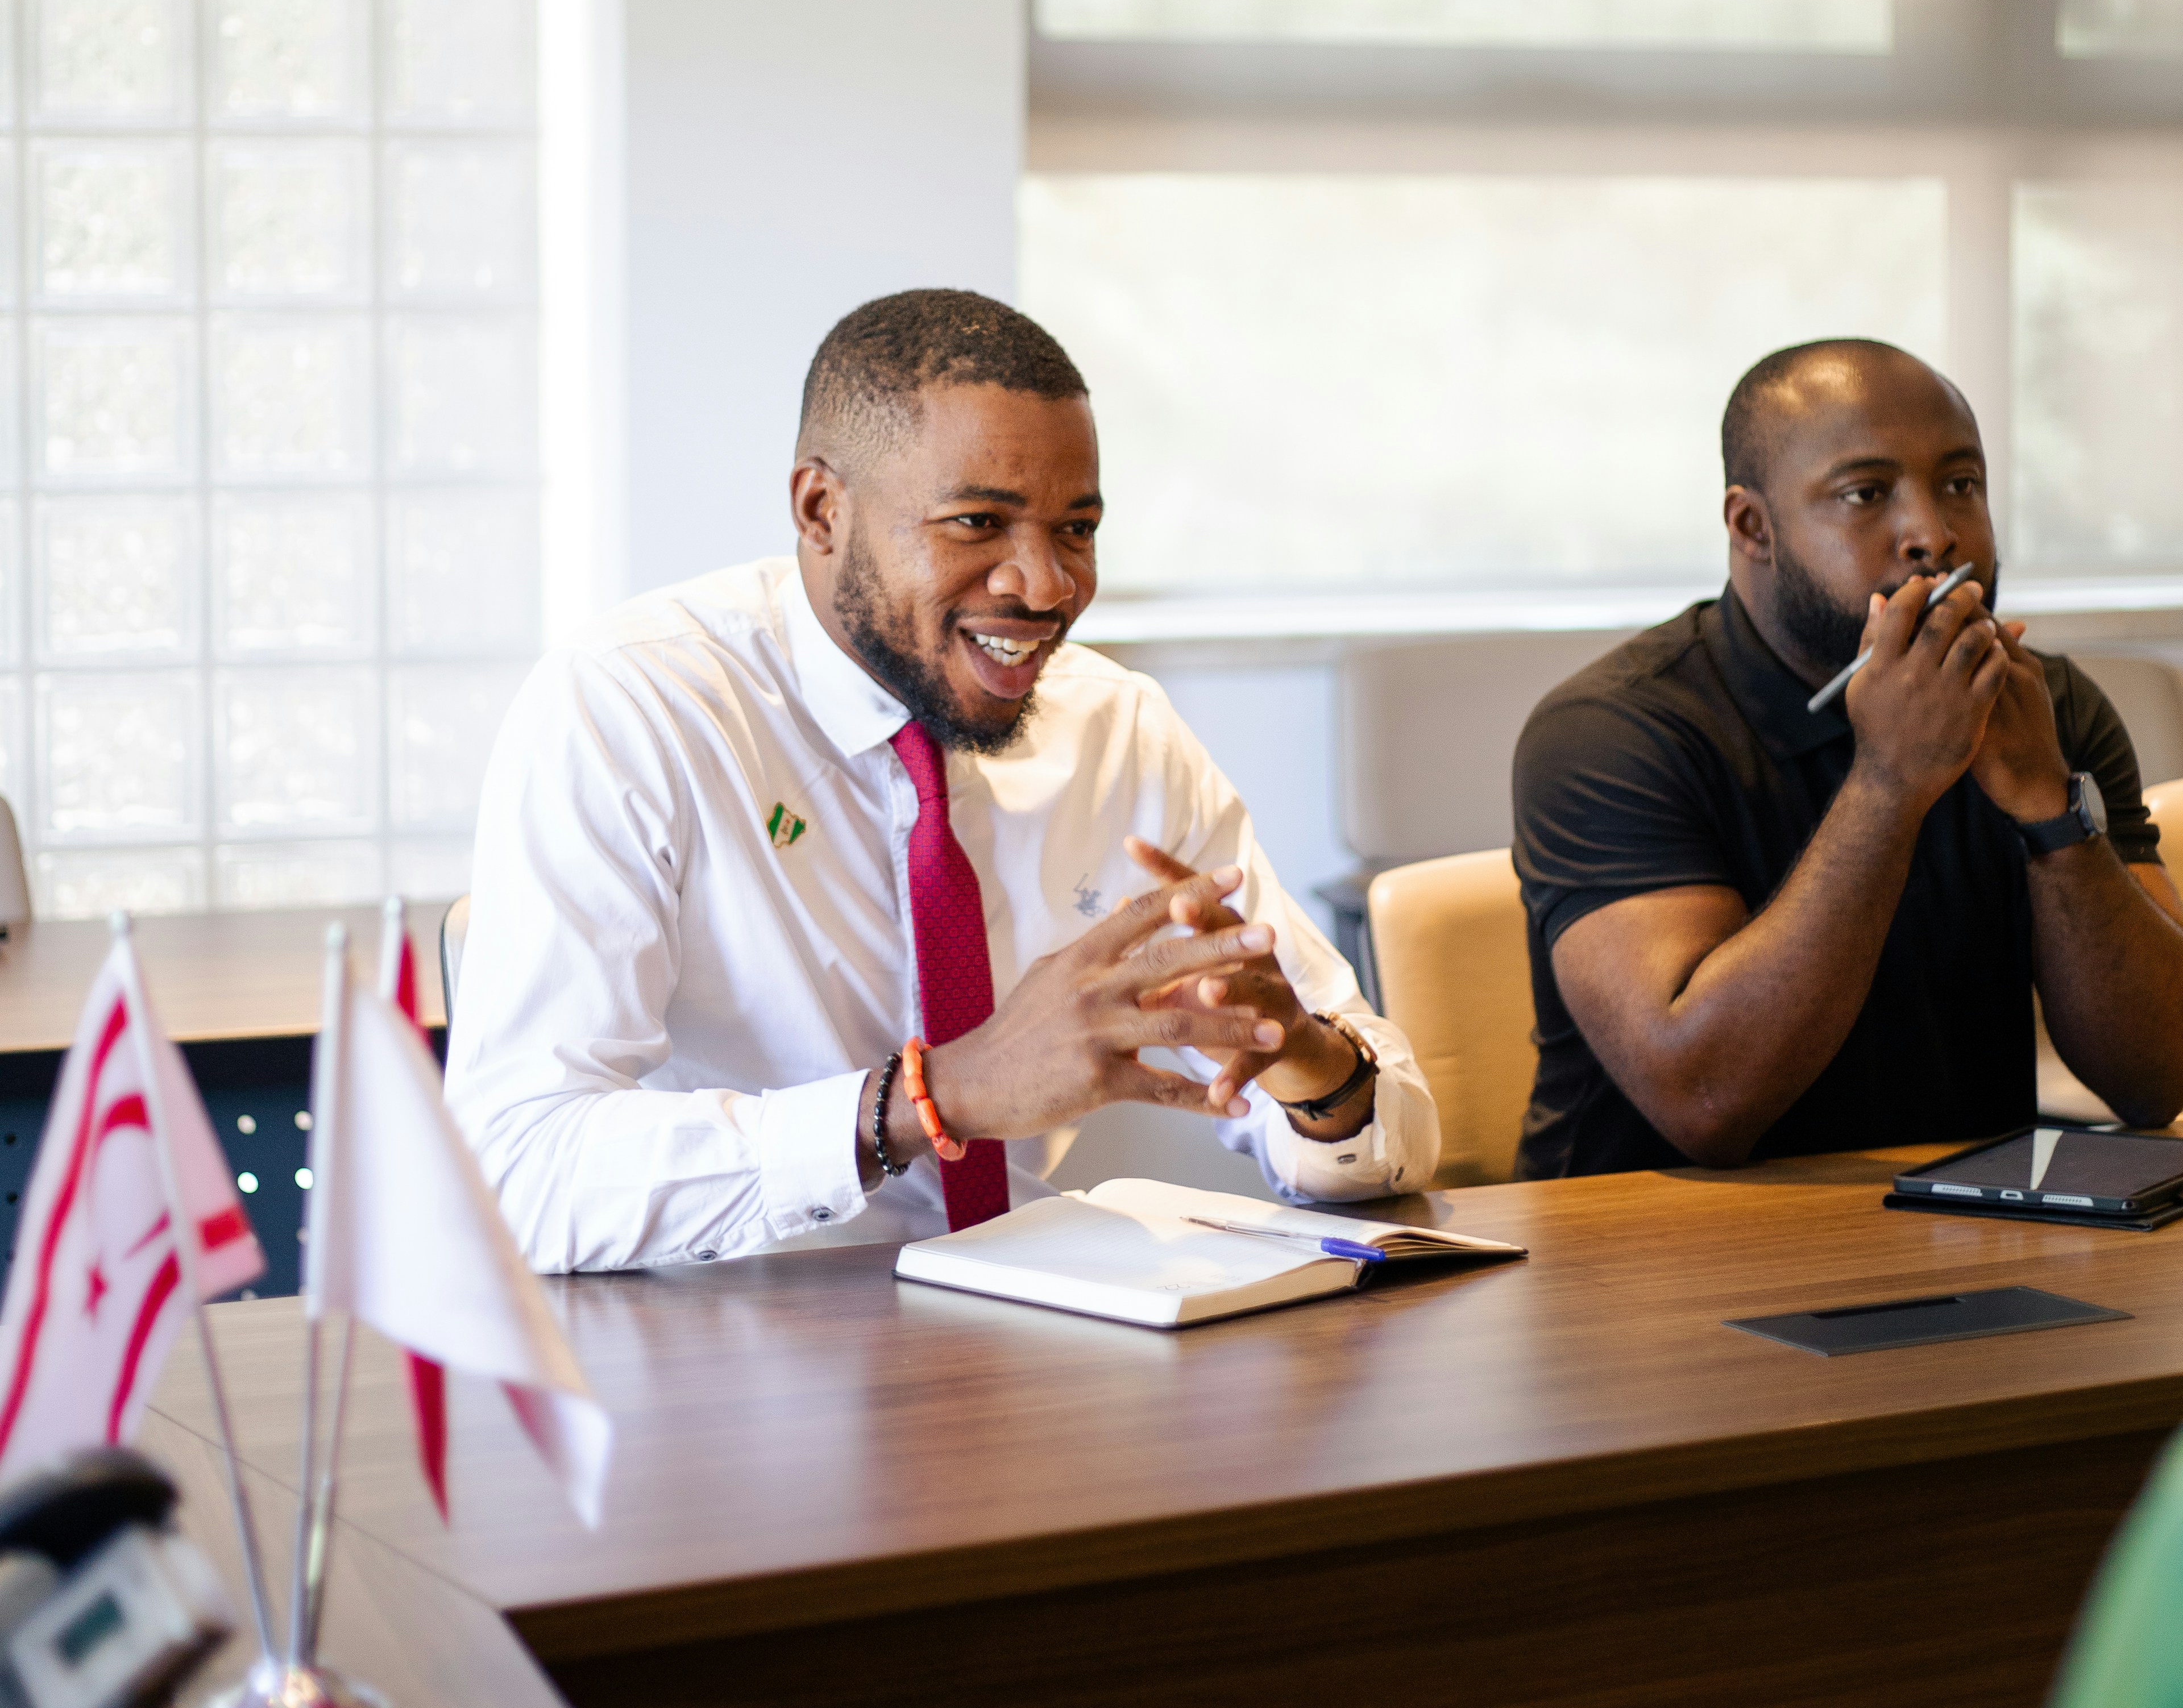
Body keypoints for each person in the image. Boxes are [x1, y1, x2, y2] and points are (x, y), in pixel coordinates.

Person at [446, 288, 1437, 1270]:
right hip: (726, 1341)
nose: (1046, 586)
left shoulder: (1116, 726)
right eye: (976, 523)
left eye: (1077, 530)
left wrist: (1315, 1071)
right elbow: (515, 1179)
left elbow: (1394, 1147)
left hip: (1038, 1328)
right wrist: (937, 1097)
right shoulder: (636, 709)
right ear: (821, 509)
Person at [1510, 336, 2183, 1178]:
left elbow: (2159, 1077)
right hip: (1648, 1257)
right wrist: (1892, 781)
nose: (1932, 536)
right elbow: (1707, 1100)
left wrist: (2050, 808)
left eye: (1961, 485)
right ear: (1753, 527)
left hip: (1959, 1224)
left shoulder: (2048, 707)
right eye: (1866, 494)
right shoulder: (1609, 732)